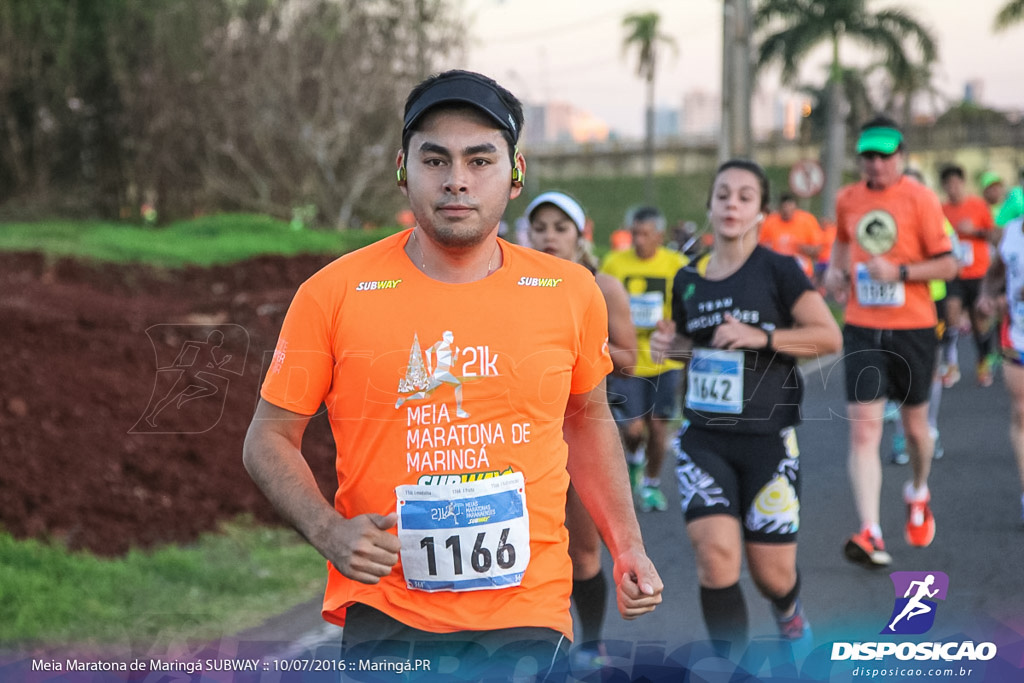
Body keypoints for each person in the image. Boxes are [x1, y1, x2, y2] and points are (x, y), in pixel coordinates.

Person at [242, 69, 662, 681]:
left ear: (515, 174)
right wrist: (327, 529)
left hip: (528, 603)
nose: (457, 180)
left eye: (480, 159)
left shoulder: (569, 292)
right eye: (435, 159)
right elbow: (267, 437)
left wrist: (627, 544)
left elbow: (588, 421)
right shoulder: (333, 293)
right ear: (402, 169)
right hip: (388, 604)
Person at [649, 159, 841, 656]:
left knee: (773, 576)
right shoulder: (687, 279)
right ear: (711, 205)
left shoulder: (778, 270)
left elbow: (828, 336)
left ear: (760, 211)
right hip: (703, 439)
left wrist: (763, 335)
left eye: (745, 196)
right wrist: (671, 346)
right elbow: (692, 349)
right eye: (723, 194)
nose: (732, 204)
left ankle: (790, 616)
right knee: (715, 559)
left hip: (769, 440)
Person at [824, 116, 958, 568]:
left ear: (900, 156)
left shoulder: (920, 199)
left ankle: (918, 490)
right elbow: (842, 245)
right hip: (862, 325)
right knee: (864, 429)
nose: (876, 164)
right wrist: (835, 272)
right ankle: (870, 530)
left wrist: (899, 273)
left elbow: (948, 266)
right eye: (868, 156)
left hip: (914, 327)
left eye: (885, 155)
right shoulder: (848, 199)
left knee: (916, 432)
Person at [524, 190, 636, 667]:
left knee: (583, 549)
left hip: (584, 430)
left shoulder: (601, 286)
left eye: (560, 228)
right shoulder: (512, 284)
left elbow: (631, 359)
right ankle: (542, 642)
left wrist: (584, 350)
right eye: (540, 227)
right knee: (525, 546)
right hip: (528, 433)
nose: (549, 237)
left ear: (579, 236)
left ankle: (591, 643)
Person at [600, 207, 688, 512]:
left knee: (659, 427)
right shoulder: (614, 263)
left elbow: (689, 308)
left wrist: (676, 328)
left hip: (664, 360)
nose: (638, 240)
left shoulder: (676, 265)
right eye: (634, 233)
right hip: (629, 360)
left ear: (659, 236)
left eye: (645, 234)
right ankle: (635, 458)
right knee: (634, 429)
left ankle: (650, 484)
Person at [978, 214, 1024, 524]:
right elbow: (996, 272)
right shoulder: (1011, 232)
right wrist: (986, 295)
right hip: (1017, 334)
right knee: (1021, 413)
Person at [939, 163, 998, 387]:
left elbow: (993, 235)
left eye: (956, 183)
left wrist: (975, 231)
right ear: (944, 187)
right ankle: (951, 363)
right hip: (955, 273)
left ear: (962, 184)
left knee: (979, 321)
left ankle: (983, 360)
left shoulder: (978, 206)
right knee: (951, 313)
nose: (953, 188)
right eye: (948, 185)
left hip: (979, 272)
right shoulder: (941, 211)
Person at [758, 192, 823, 280]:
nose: (787, 211)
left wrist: (804, 249)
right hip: (776, 273)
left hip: (801, 273)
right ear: (779, 208)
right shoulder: (770, 221)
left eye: (790, 208)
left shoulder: (807, 221)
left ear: (795, 207)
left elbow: (818, 250)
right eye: (784, 208)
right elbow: (760, 247)